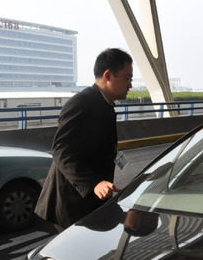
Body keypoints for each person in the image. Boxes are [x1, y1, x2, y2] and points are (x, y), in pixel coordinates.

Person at [35, 48, 133, 231]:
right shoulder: (81, 103)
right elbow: (61, 151)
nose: (130, 85)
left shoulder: (104, 104)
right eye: (127, 78)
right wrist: (93, 183)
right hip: (71, 205)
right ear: (108, 75)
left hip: (89, 202)